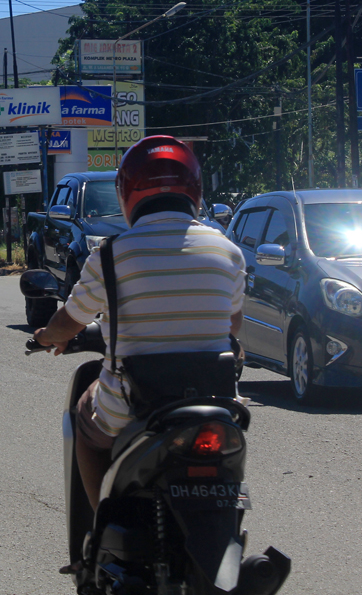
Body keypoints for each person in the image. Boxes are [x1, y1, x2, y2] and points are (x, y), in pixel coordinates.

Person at [32, 136, 245, 519]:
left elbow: (69, 321)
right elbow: (234, 324)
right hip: (216, 401)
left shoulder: (112, 255)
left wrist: (47, 336)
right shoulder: (227, 250)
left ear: (127, 193)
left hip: (135, 402)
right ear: (195, 191)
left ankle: (102, 525)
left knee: (85, 422)